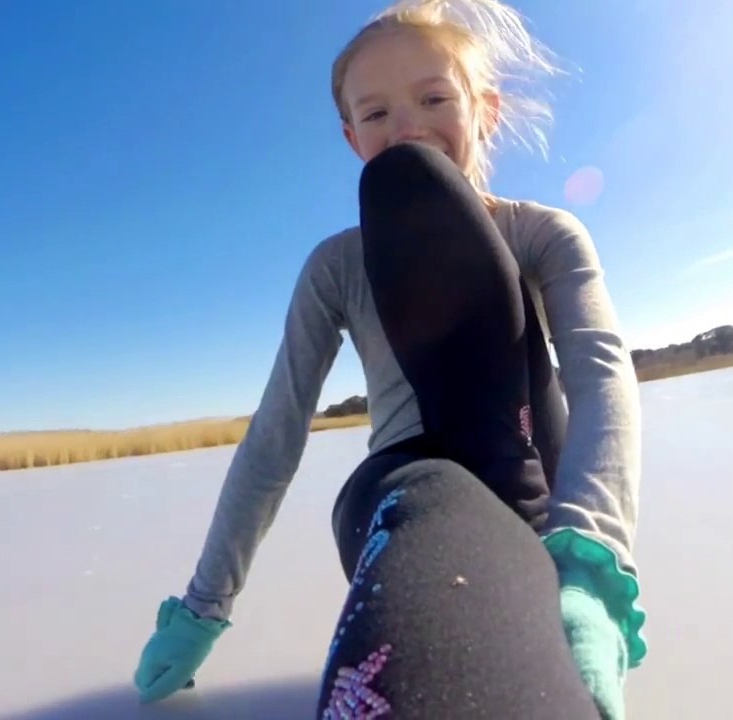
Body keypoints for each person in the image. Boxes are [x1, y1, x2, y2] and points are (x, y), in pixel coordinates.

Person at [133, 0, 648, 717]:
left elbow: (602, 377)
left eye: (434, 98)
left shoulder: (544, 234)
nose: (406, 126)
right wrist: (202, 606)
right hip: (406, 491)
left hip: (539, 495)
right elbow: (276, 434)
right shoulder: (336, 267)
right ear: (351, 138)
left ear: (484, 111)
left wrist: (592, 562)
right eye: (374, 115)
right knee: (440, 491)